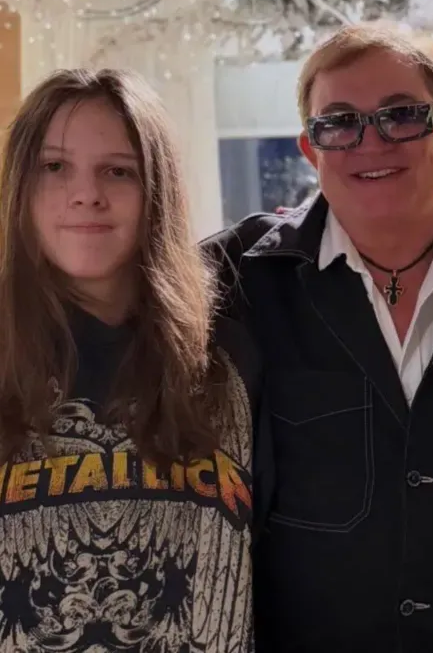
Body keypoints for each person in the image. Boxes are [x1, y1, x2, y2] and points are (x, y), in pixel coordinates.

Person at [203, 23, 433, 652]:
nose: (370, 142)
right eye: (339, 123)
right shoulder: (237, 279)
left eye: (401, 116)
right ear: (309, 149)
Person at [0, 69, 260, 650]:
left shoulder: (229, 358)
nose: (86, 193)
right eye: (54, 166)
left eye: (118, 170)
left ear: (157, 191)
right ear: (20, 187)